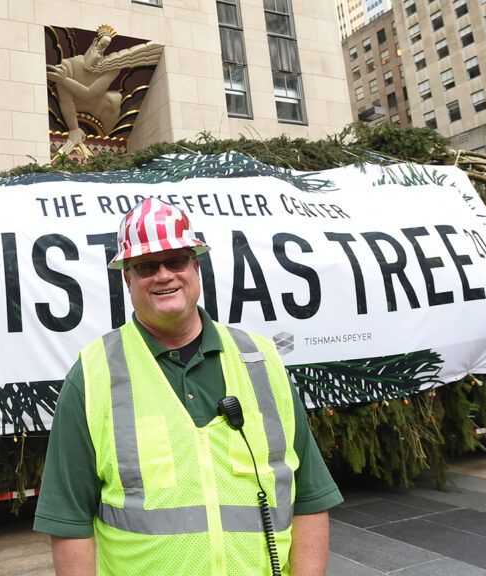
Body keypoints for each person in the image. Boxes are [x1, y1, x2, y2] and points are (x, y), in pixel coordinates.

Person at [34, 198, 343, 575]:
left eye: (175, 260)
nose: (164, 275)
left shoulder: (261, 360)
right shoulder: (92, 374)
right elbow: (68, 520)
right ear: (127, 279)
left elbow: (309, 495)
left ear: (195, 267)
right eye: (146, 266)